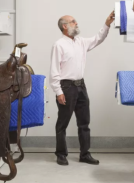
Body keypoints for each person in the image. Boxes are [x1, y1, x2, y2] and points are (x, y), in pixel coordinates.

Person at [49, 12, 115, 166]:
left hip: (81, 86)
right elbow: (54, 71)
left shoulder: (81, 42)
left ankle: (85, 154)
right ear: (64, 26)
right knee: (62, 124)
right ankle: (61, 154)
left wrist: (107, 23)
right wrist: (58, 92)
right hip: (66, 87)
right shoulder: (59, 45)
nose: (76, 23)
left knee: (84, 123)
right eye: (73, 22)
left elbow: (98, 38)